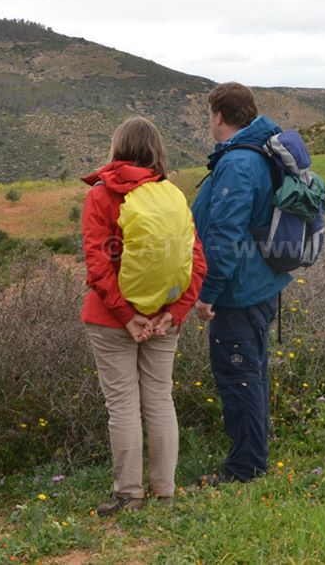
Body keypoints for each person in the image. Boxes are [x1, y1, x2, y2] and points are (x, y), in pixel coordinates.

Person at [81, 116, 206, 515]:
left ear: (118, 149)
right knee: (159, 399)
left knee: (122, 404)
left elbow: (97, 263)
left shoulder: (101, 196)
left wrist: (125, 314)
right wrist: (175, 312)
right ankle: (165, 492)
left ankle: (128, 495)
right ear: (157, 151)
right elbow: (196, 261)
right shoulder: (172, 196)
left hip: (110, 318)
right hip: (164, 317)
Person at [191, 82, 292, 484]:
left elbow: (225, 235)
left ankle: (245, 469)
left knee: (239, 375)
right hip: (261, 282)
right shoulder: (259, 151)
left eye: (209, 114)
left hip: (238, 290)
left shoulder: (238, 163)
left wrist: (207, 292)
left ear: (219, 115)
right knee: (252, 371)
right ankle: (252, 455)